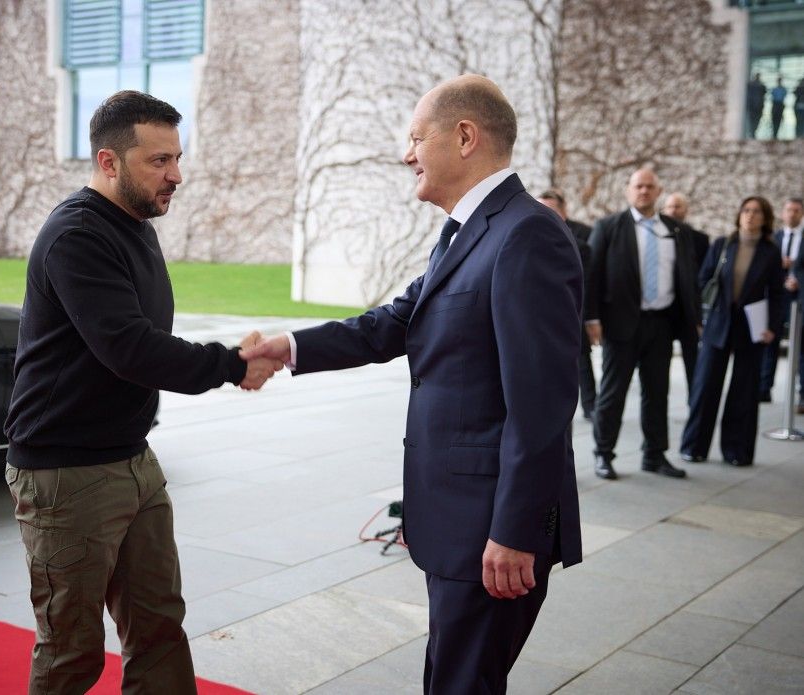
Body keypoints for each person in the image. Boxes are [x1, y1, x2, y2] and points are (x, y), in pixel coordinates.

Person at [243, 75, 583, 693]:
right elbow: (394, 323)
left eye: (416, 138)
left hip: (490, 529)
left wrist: (514, 531)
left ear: (465, 137)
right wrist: (287, 348)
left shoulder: (526, 234)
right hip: (456, 520)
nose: (407, 155)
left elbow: (542, 406)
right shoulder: (467, 230)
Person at [3, 91, 282, 694]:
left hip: (132, 458)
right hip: (65, 473)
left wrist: (231, 360)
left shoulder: (133, 225)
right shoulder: (77, 235)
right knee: (71, 652)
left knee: (159, 629)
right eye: (159, 160)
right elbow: (130, 349)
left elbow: (143, 341)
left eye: (177, 158)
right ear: (108, 162)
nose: (176, 175)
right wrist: (233, 365)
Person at [585, 169, 701, 480]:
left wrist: (693, 320)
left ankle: (654, 455)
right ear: (629, 190)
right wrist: (591, 318)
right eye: (639, 186)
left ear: (659, 191)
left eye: (650, 187)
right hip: (620, 324)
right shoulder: (609, 227)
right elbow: (592, 276)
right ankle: (603, 454)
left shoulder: (675, 230)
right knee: (613, 393)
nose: (644, 191)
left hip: (661, 323)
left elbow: (688, 277)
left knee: (657, 393)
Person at [680, 197, 782, 467]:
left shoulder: (770, 252)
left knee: (744, 391)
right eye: (746, 210)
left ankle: (737, 451)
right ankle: (694, 447)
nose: (750, 215)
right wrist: (700, 318)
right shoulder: (722, 245)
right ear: (739, 215)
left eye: (756, 211)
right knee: (705, 387)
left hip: (752, 327)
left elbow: (777, 294)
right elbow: (703, 280)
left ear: (765, 218)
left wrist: (772, 327)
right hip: (717, 323)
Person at [538, 188, 596, 420]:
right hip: (539, 314)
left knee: (581, 361)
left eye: (550, 210)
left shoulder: (581, 243)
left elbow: (588, 284)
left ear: (563, 212)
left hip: (572, 312)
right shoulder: (526, 238)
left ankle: (590, 407)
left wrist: (590, 318)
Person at [662, 192, 711, 392]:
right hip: (662, 312)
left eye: (678, 206)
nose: (673, 210)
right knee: (658, 367)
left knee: (693, 362)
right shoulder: (656, 235)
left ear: (686, 210)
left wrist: (699, 314)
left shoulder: (700, 239)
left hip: (688, 311)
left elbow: (704, 278)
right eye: (670, 206)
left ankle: (696, 401)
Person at [759, 197, 804, 405]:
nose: (792, 213)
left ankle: (802, 394)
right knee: (770, 342)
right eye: (789, 210)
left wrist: (798, 281)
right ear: (783, 213)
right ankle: (764, 388)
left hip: (800, 296)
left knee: (801, 345)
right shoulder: (773, 238)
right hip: (777, 297)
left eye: (796, 210)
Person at [746, 73, 766, 139]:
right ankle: (752, 132)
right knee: (753, 120)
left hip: (757, 107)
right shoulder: (753, 85)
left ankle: (753, 132)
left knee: (755, 120)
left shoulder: (760, 86)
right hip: (753, 107)